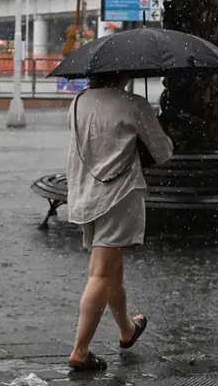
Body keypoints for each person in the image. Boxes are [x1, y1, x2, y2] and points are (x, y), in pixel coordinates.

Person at [65, 72, 173, 371]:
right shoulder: (134, 104)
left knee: (112, 269)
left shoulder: (78, 102)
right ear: (123, 72)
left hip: (85, 193)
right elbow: (163, 152)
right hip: (119, 195)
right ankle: (80, 352)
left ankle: (127, 330)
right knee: (101, 273)